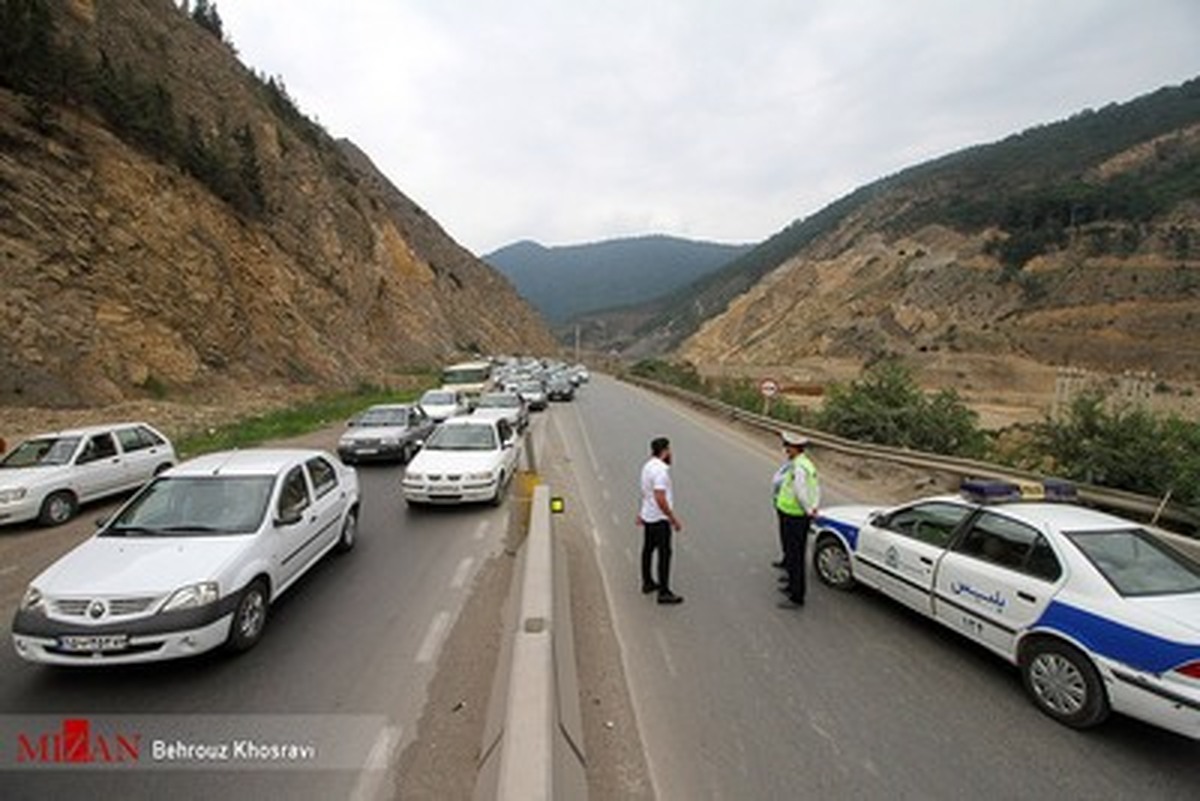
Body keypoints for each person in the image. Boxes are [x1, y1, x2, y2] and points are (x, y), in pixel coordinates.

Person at [775, 431, 820, 609]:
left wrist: (809, 511)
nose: (786, 449)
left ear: (796, 448)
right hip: (794, 514)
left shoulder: (800, 467)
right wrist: (813, 507)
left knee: (795, 556)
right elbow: (816, 489)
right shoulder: (805, 464)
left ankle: (796, 596)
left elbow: (801, 493)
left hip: (794, 516)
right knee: (793, 554)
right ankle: (792, 586)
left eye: (788, 447)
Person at [638, 436, 684, 605]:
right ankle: (664, 592)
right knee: (665, 554)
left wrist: (641, 513)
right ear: (664, 451)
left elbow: (645, 492)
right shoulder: (661, 471)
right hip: (659, 519)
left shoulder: (647, 466)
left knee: (648, 550)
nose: (671, 453)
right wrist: (673, 518)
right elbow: (659, 497)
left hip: (649, 516)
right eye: (669, 450)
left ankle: (647, 582)